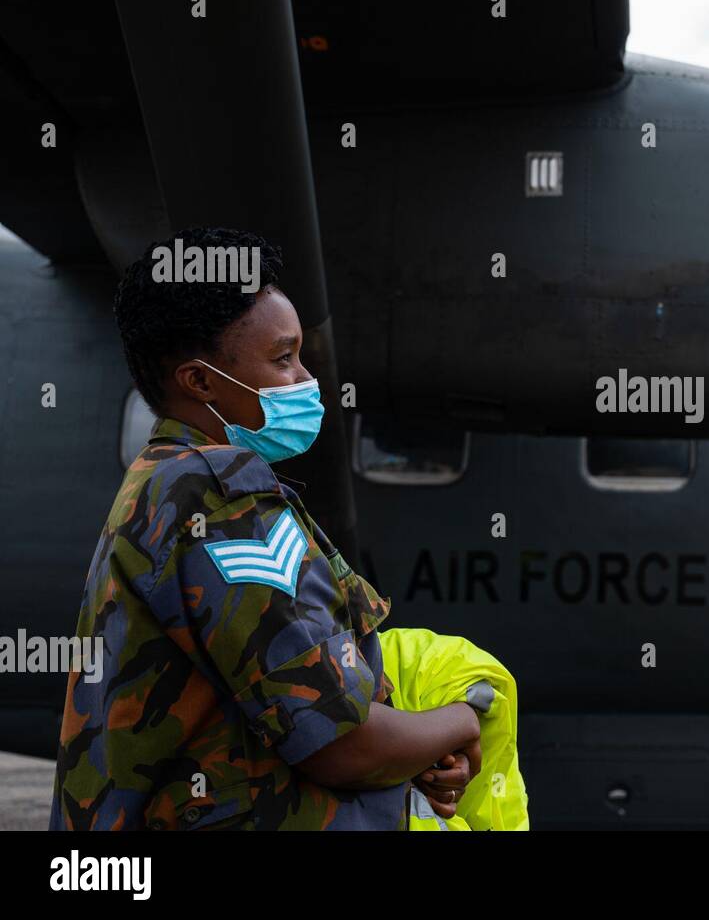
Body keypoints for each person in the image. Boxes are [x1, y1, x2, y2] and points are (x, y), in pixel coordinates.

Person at [50, 227, 481, 830]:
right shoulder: (220, 498)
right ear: (199, 382)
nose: (304, 380)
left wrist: (414, 752)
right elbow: (340, 744)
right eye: (283, 359)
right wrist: (460, 720)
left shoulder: (163, 482)